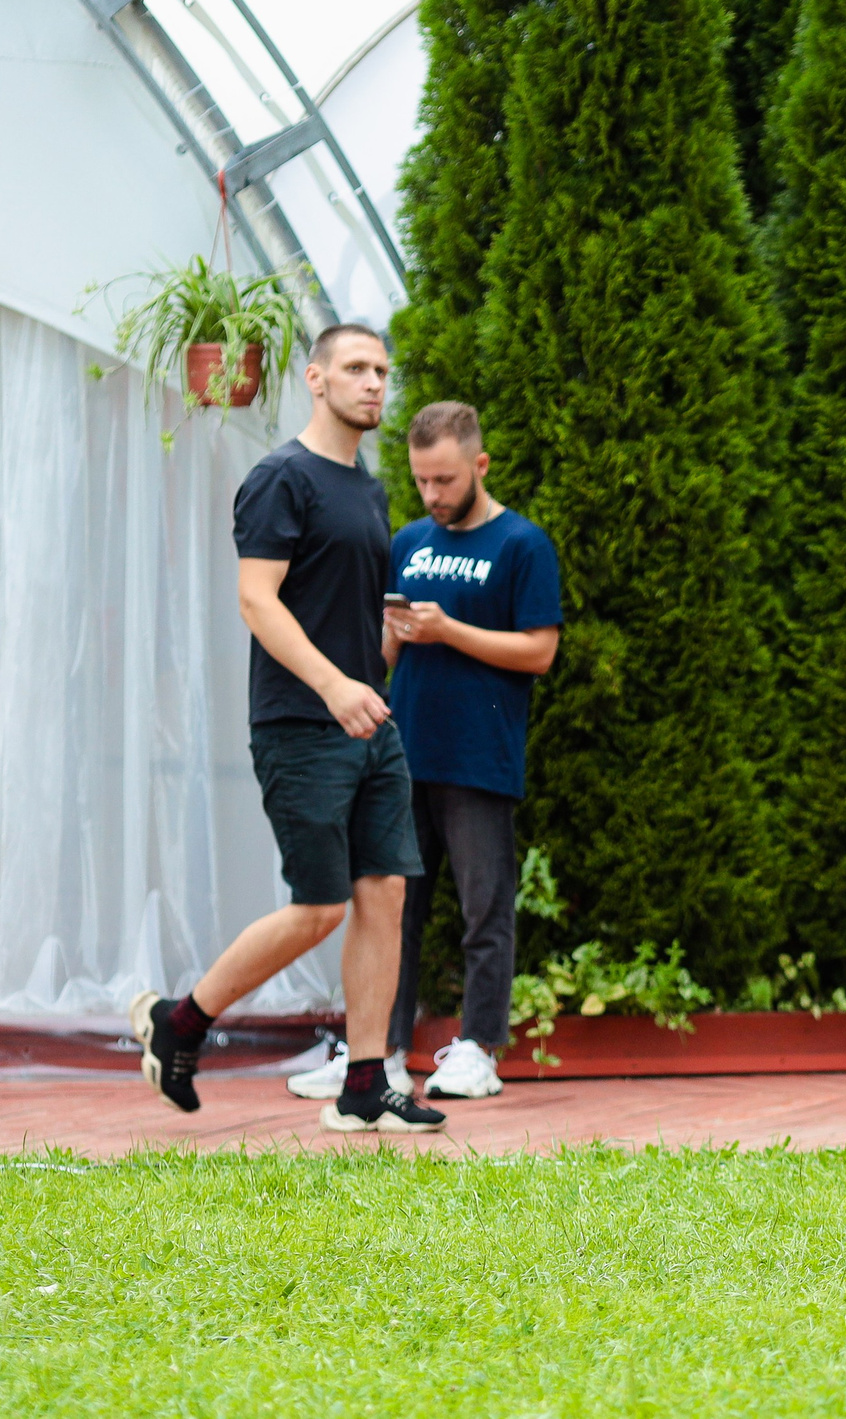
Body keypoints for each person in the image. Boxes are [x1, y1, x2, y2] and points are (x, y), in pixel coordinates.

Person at [132, 323, 444, 1134]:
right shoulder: (281, 479)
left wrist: (385, 643)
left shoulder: (369, 488)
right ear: (315, 377)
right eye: (355, 368)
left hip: (369, 718)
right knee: (321, 906)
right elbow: (257, 600)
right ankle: (182, 1020)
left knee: (387, 892)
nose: (374, 381)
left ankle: (366, 1082)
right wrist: (335, 683)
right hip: (301, 723)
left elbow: (346, 607)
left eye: (382, 369)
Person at [364, 401, 564, 1101]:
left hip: (481, 757)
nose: (432, 495)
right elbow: (385, 652)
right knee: (396, 910)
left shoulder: (522, 545)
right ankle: (380, 1053)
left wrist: (448, 629)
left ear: (479, 465)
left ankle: (478, 1049)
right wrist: (392, 638)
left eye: (445, 479)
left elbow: (539, 651)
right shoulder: (409, 541)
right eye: (421, 480)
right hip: (405, 752)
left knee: (485, 908)